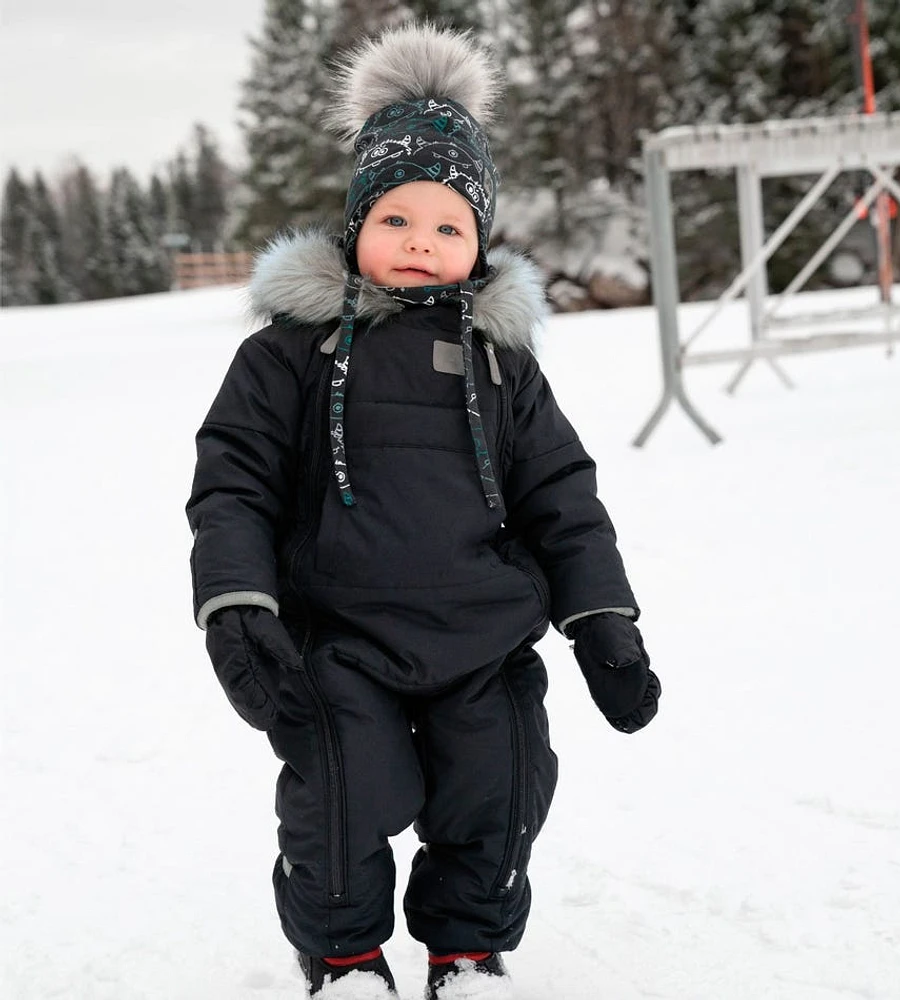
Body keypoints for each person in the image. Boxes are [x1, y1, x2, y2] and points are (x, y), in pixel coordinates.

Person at [186, 22, 660, 1000]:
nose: (420, 242)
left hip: (482, 641)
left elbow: (561, 498)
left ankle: (467, 951)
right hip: (340, 641)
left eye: (448, 226)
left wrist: (602, 618)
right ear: (355, 222)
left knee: (502, 790)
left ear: (479, 242)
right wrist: (238, 602)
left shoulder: (504, 366)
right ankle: (349, 957)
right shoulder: (289, 354)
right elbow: (232, 479)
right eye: (397, 218)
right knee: (348, 796)